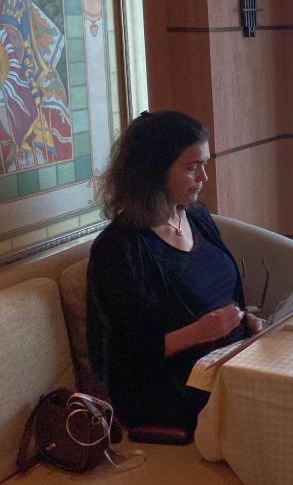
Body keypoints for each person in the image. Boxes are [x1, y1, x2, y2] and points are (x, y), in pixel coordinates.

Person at [86, 110, 262, 431]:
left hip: (223, 364)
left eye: (204, 164)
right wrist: (200, 332)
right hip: (166, 391)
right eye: (192, 167)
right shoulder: (117, 249)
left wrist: (244, 321)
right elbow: (129, 355)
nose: (204, 177)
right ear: (154, 172)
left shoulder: (195, 217)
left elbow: (223, 295)